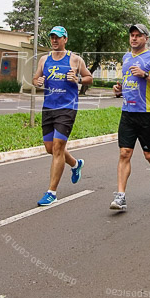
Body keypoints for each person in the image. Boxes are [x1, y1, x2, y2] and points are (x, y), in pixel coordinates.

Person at [110, 24, 150, 210]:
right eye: (132, 35)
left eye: (138, 35)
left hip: (147, 113)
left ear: (146, 38)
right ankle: (120, 196)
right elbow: (128, 80)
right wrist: (120, 90)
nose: (134, 38)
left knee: (149, 154)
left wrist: (145, 75)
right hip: (128, 112)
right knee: (124, 153)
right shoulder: (126, 58)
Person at [32, 26, 92, 206]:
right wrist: (38, 81)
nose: (54, 41)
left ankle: (51, 192)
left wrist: (78, 79)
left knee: (58, 147)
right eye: (52, 37)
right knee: (50, 148)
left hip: (67, 108)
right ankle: (75, 164)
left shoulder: (75, 59)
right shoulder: (44, 60)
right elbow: (35, 80)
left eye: (58, 37)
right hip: (48, 107)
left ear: (65, 39)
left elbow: (89, 77)